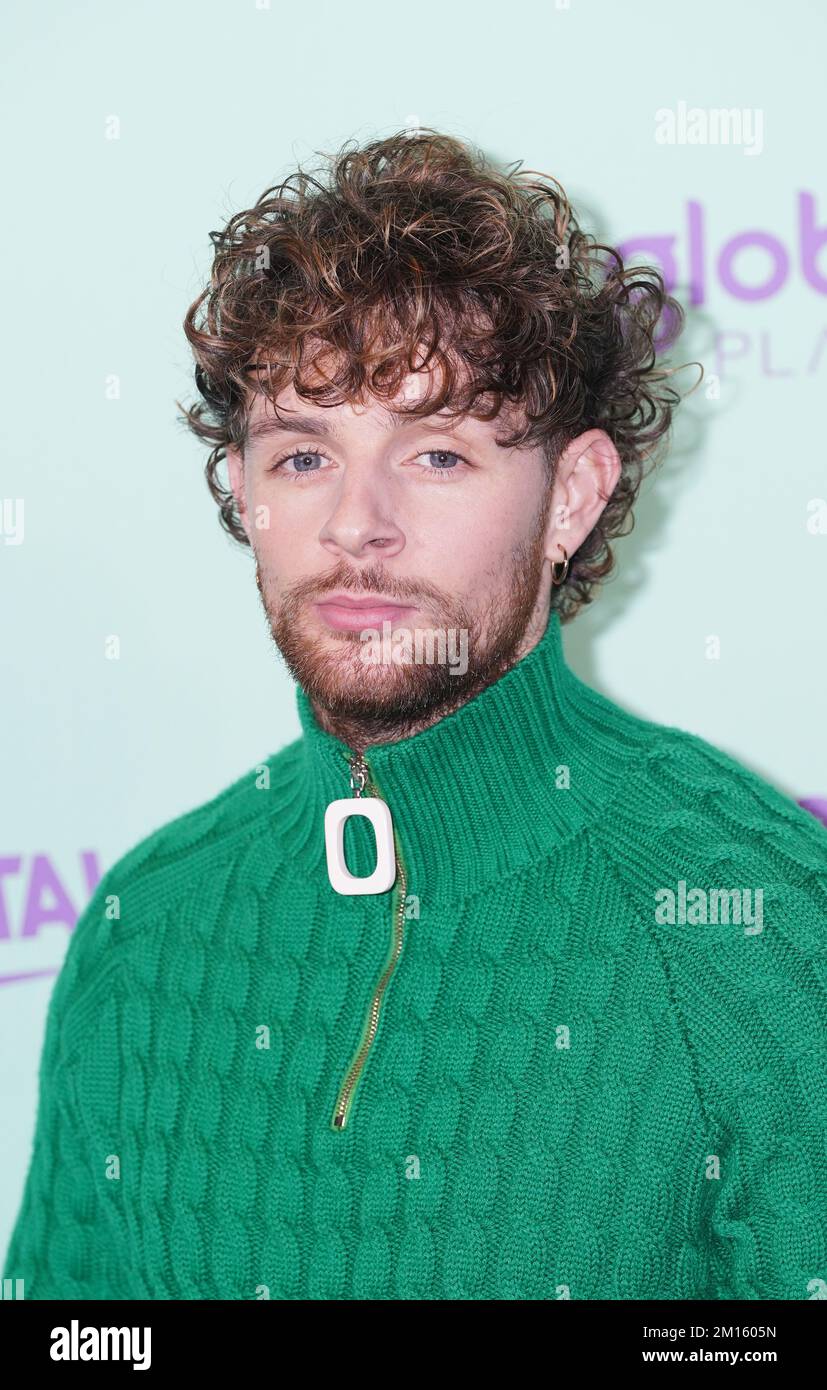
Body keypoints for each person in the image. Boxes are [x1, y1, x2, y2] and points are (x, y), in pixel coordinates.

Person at [5, 130, 826, 1301]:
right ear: (243, 489)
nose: (355, 525)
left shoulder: (762, 928)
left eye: (435, 454)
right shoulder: (145, 930)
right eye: (301, 457)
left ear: (571, 497)